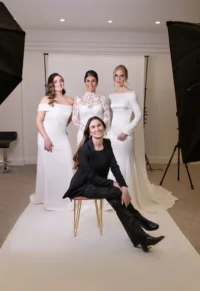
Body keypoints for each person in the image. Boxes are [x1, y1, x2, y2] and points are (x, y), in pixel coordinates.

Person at [63, 116, 165, 252]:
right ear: (89, 131)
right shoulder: (85, 149)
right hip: (83, 186)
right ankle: (140, 223)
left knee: (117, 198)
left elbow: (114, 166)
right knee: (117, 193)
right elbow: (90, 176)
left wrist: (124, 187)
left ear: (104, 127)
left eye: (99, 125)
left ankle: (142, 239)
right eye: (93, 127)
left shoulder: (107, 143)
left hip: (99, 184)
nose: (97, 128)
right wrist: (113, 183)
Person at [107, 65, 178, 213]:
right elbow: (112, 117)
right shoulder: (111, 95)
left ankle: (127, 197)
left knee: (123, 164)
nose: (119, 79)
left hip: (125, 135)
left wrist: (126, 131)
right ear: (113, 77)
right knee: (113, 164)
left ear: (126, 77)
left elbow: (138, 115)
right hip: (113, 134)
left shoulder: (131, 94)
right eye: (116, 76)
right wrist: (108, 132)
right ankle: (113, 197)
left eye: (121, 76)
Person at [30, 73, 74, 210]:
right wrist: (46, 138)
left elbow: (68, 119)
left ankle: (67, 197)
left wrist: (61, 129)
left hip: (61, 137)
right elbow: (38, 121)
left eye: (61, 80)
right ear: (51, 84)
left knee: (68, 166)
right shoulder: (46, 99)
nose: (59, 83)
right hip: (46, 137)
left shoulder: (70, 100)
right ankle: (51, 199)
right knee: (50, 170)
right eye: (55, 81)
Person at [72, 70, 110, 145]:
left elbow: (107, 117)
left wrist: (97, 129)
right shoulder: (78, 99)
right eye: (88, 81)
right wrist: (87, 130)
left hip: (98, 134)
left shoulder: (103, 99)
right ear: (85, 82)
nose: (90, 84)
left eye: (93, 81)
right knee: (83, 156)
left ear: (97, 83)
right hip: (83, 134)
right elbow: (75, 119)